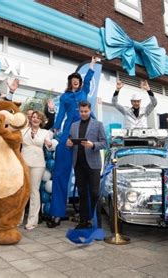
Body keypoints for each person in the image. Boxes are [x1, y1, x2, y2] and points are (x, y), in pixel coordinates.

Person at [48, 56, 98, 228]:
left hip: (87, 130)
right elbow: (61, 114)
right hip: (69, 131)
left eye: (77, 79)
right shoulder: (64, 97)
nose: (75, 82)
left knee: (89, 176)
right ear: (70, 82)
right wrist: (55, 128)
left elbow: (90, 77)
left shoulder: (84, 91)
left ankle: (88, 217)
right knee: (61, 173)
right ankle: (56, 213)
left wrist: (92, 64)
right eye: (73, 80)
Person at [66, 101, 107, 229]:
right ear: (79, 111)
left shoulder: (98, 124)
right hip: (78, 164)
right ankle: (83, 221)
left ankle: (95, 221)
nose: (83, 114)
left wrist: (93, 145)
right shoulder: (73, 126)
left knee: (95, 193)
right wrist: (69, 143)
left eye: (86, 111)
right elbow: (70, 141)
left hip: (93, 164)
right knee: (82, 193)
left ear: (90, 110)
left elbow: (105, 143)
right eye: (81, 111)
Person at [20, 111, 55, 230]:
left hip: (38, 164)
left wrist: (49, 143)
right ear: (30, 119)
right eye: (33, 117)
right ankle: (17, 219)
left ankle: (32, 221)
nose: (35, 119)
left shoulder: (45, 132)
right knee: (22, 191)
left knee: (34, 191)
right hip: (23, 162)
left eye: (38, 118)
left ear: (41, 121)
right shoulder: (23, 130)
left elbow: (49, 144)